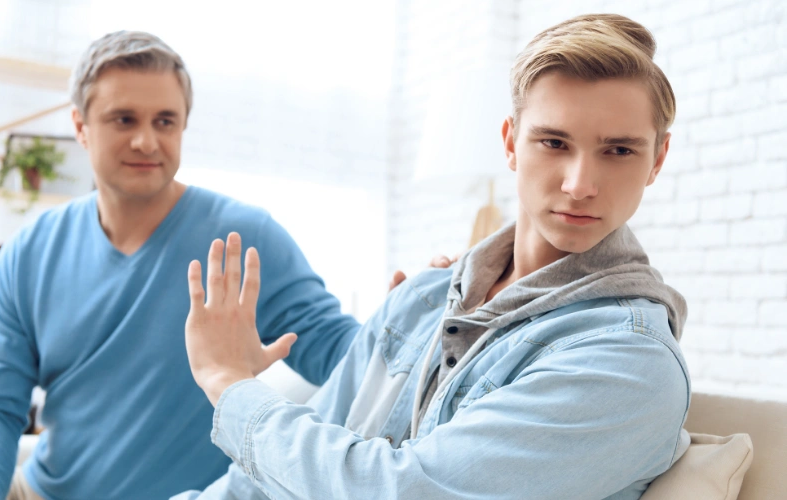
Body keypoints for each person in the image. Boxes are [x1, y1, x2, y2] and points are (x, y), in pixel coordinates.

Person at [179, 13, 690, 500]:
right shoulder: (424, 294)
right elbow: (268, 481)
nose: (580, 185)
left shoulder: (631, 362)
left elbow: (401, 492)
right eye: (554, 142)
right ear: (511, 144)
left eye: (619, 151)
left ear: (657, 159)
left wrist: (229, 384)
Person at [0, 31, 421, 500]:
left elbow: (340, 352)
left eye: (165, 121)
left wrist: (407, 321)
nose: (146, 141)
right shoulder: (29, 251)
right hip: (44, 491)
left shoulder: (246, 237)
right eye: (123, 119)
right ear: (80, 127)